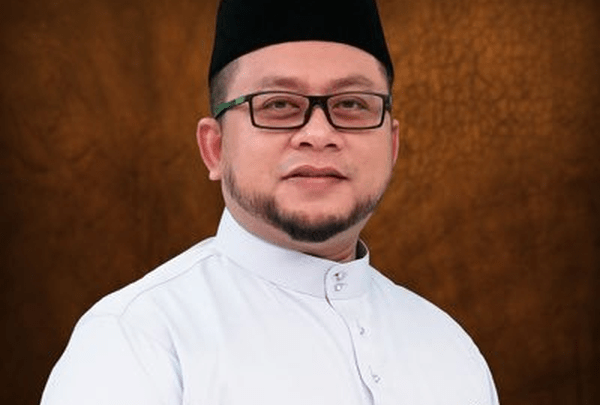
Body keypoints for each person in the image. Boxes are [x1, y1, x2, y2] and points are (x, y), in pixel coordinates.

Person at [41, 0, 500, 404]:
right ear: (215, 148)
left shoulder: (449, 349)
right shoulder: (138, 342)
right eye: (278, 104)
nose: (319, 134)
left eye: (352, 104)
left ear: (392, 146)